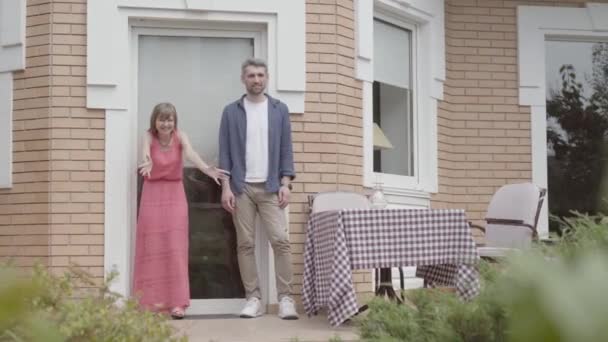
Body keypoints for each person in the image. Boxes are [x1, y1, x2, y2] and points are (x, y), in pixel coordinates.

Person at [219, 58, 298, 320]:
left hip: (271, 187)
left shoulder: (279, 109)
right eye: (251, 75)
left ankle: (285, 298)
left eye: (261, 75)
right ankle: (253, 298)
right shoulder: (231, 112)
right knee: (245, 244)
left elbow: (286, 148)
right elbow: (225, 153)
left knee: (281, 241)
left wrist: (286, 182)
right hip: (241, 188)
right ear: (243, 79)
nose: (256, 80)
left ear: (267, 78)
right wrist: (226, 188)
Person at [134, 102, 226, 319]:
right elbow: (145, 153)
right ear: (154, 121)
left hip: (175, 194)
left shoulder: (180, 136)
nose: (166, 123)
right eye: (161, 119)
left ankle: (177, 303)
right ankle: (150, 303)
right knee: (152, 247)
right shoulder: (148, 137)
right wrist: (146, 162)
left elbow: (191, 153)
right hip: (152, 194)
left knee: (175, 248)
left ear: (174, 122)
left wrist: (205, 168)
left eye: (169, 119)